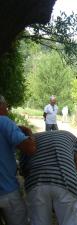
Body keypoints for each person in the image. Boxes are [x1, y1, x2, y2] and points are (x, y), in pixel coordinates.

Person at [20, 130, 77, 225]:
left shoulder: (30, 141)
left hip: (36, 182)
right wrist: (76, 185)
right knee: (70, 221)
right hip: (65, 180)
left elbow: (23, 168)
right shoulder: (71, 137)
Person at [0, 95, 36, 225]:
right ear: (1, 106)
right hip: (7, 192)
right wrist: (28, 132)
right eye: (7, 107)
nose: (7, 111)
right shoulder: (4, 121)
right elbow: (30, 148)